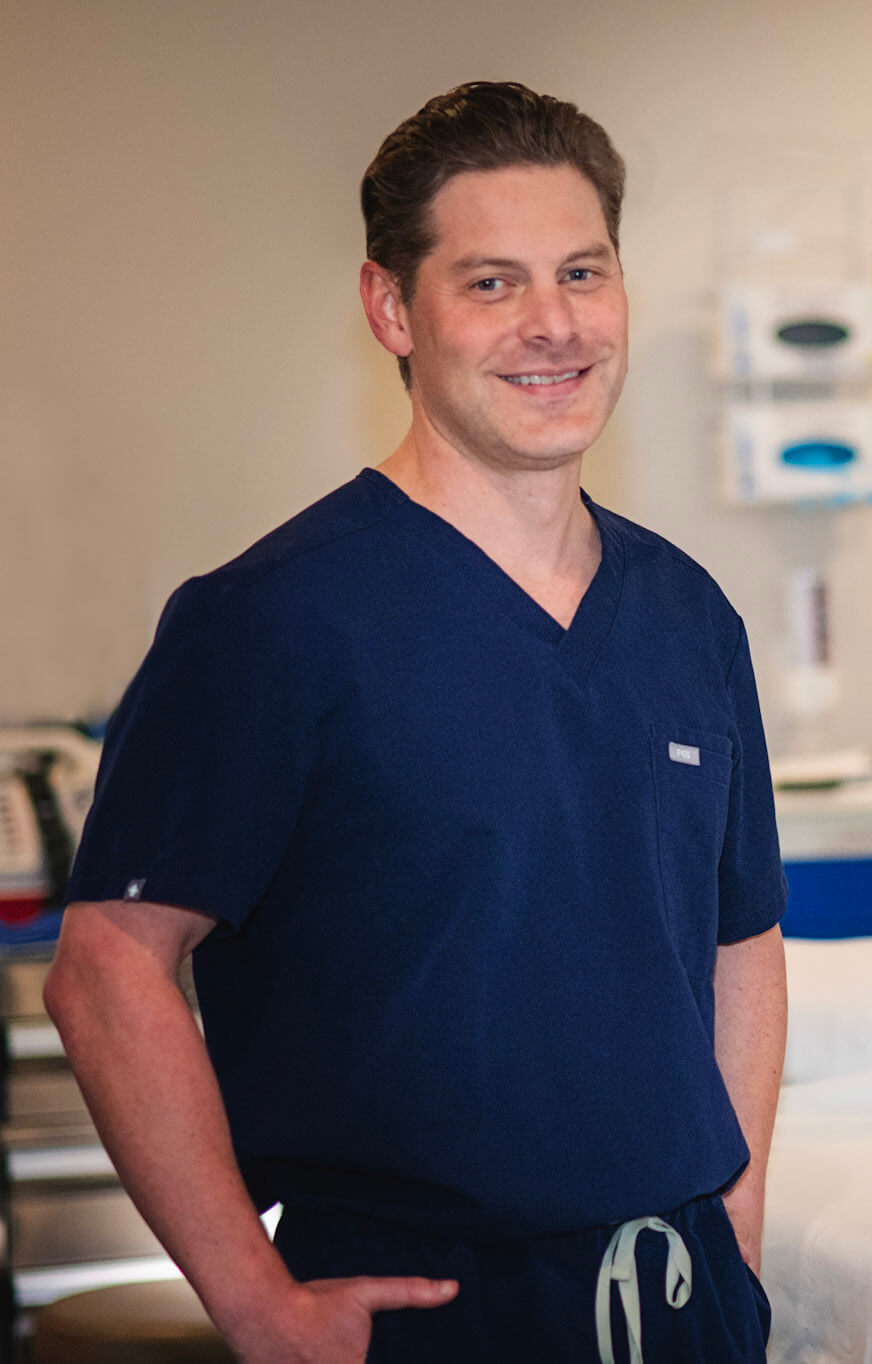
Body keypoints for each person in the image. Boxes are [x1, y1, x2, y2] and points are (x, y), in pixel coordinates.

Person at [45, 82, 787, 1363]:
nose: (553, 325)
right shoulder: (275, 621)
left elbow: (743, 946)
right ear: (394, 306)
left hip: (679, 1302)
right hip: (424, 1316)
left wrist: (736, 1235)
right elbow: (107, 966)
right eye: (491, 283)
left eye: (582, 272)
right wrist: (258, 1302)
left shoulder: (684, 615)